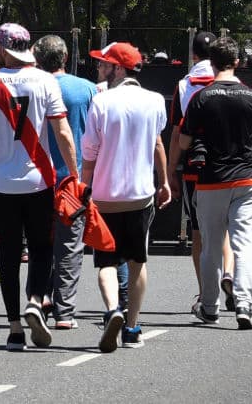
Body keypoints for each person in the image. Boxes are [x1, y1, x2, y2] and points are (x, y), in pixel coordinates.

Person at [0, 23, 77, 352]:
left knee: (9, 252)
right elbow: (63, 132)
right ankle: (36, 300)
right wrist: (73, 173)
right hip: (40, 180)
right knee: (42, 248)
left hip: (0, 182)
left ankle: (14, 329)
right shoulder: (45, 80)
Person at [81, 42, 170, 352]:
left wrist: (84, 187)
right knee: (137, 261)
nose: (101, 68)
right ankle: (132, 327)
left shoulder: (102, 101)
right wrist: (164, 182)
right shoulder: (156, 100)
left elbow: (89, 153)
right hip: (140, 195)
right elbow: (158, 142)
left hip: (105, 195)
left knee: (105, 261)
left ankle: (111, 311)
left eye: (106, 64)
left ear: (119, 69)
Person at [179, 37, 252, 331]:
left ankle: (209, 307)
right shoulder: (251, 96)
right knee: (244, 245)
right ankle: (244, 304)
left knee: (210, 247)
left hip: (211, 181)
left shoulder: (201, 98)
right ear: (237, 62)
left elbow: (183, 140)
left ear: (212, 62)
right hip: (246, 178)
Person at [165, 31, 236, 312]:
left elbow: (176, 133)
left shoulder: (185, 86)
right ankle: (229, 273)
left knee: (199, 233)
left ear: (194, 55)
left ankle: (205, 294)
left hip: (197, 167)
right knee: (225, 229)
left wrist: (170, 170)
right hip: (233, 165)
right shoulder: (235, 83)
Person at [33, 34, 98, 331]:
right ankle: (64, 311)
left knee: (40, 243)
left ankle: (40, 296)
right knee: (69, 247)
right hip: (72, 177)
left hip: (34, 177)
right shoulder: (86, 89)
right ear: (66, 57)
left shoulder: (30, 87)